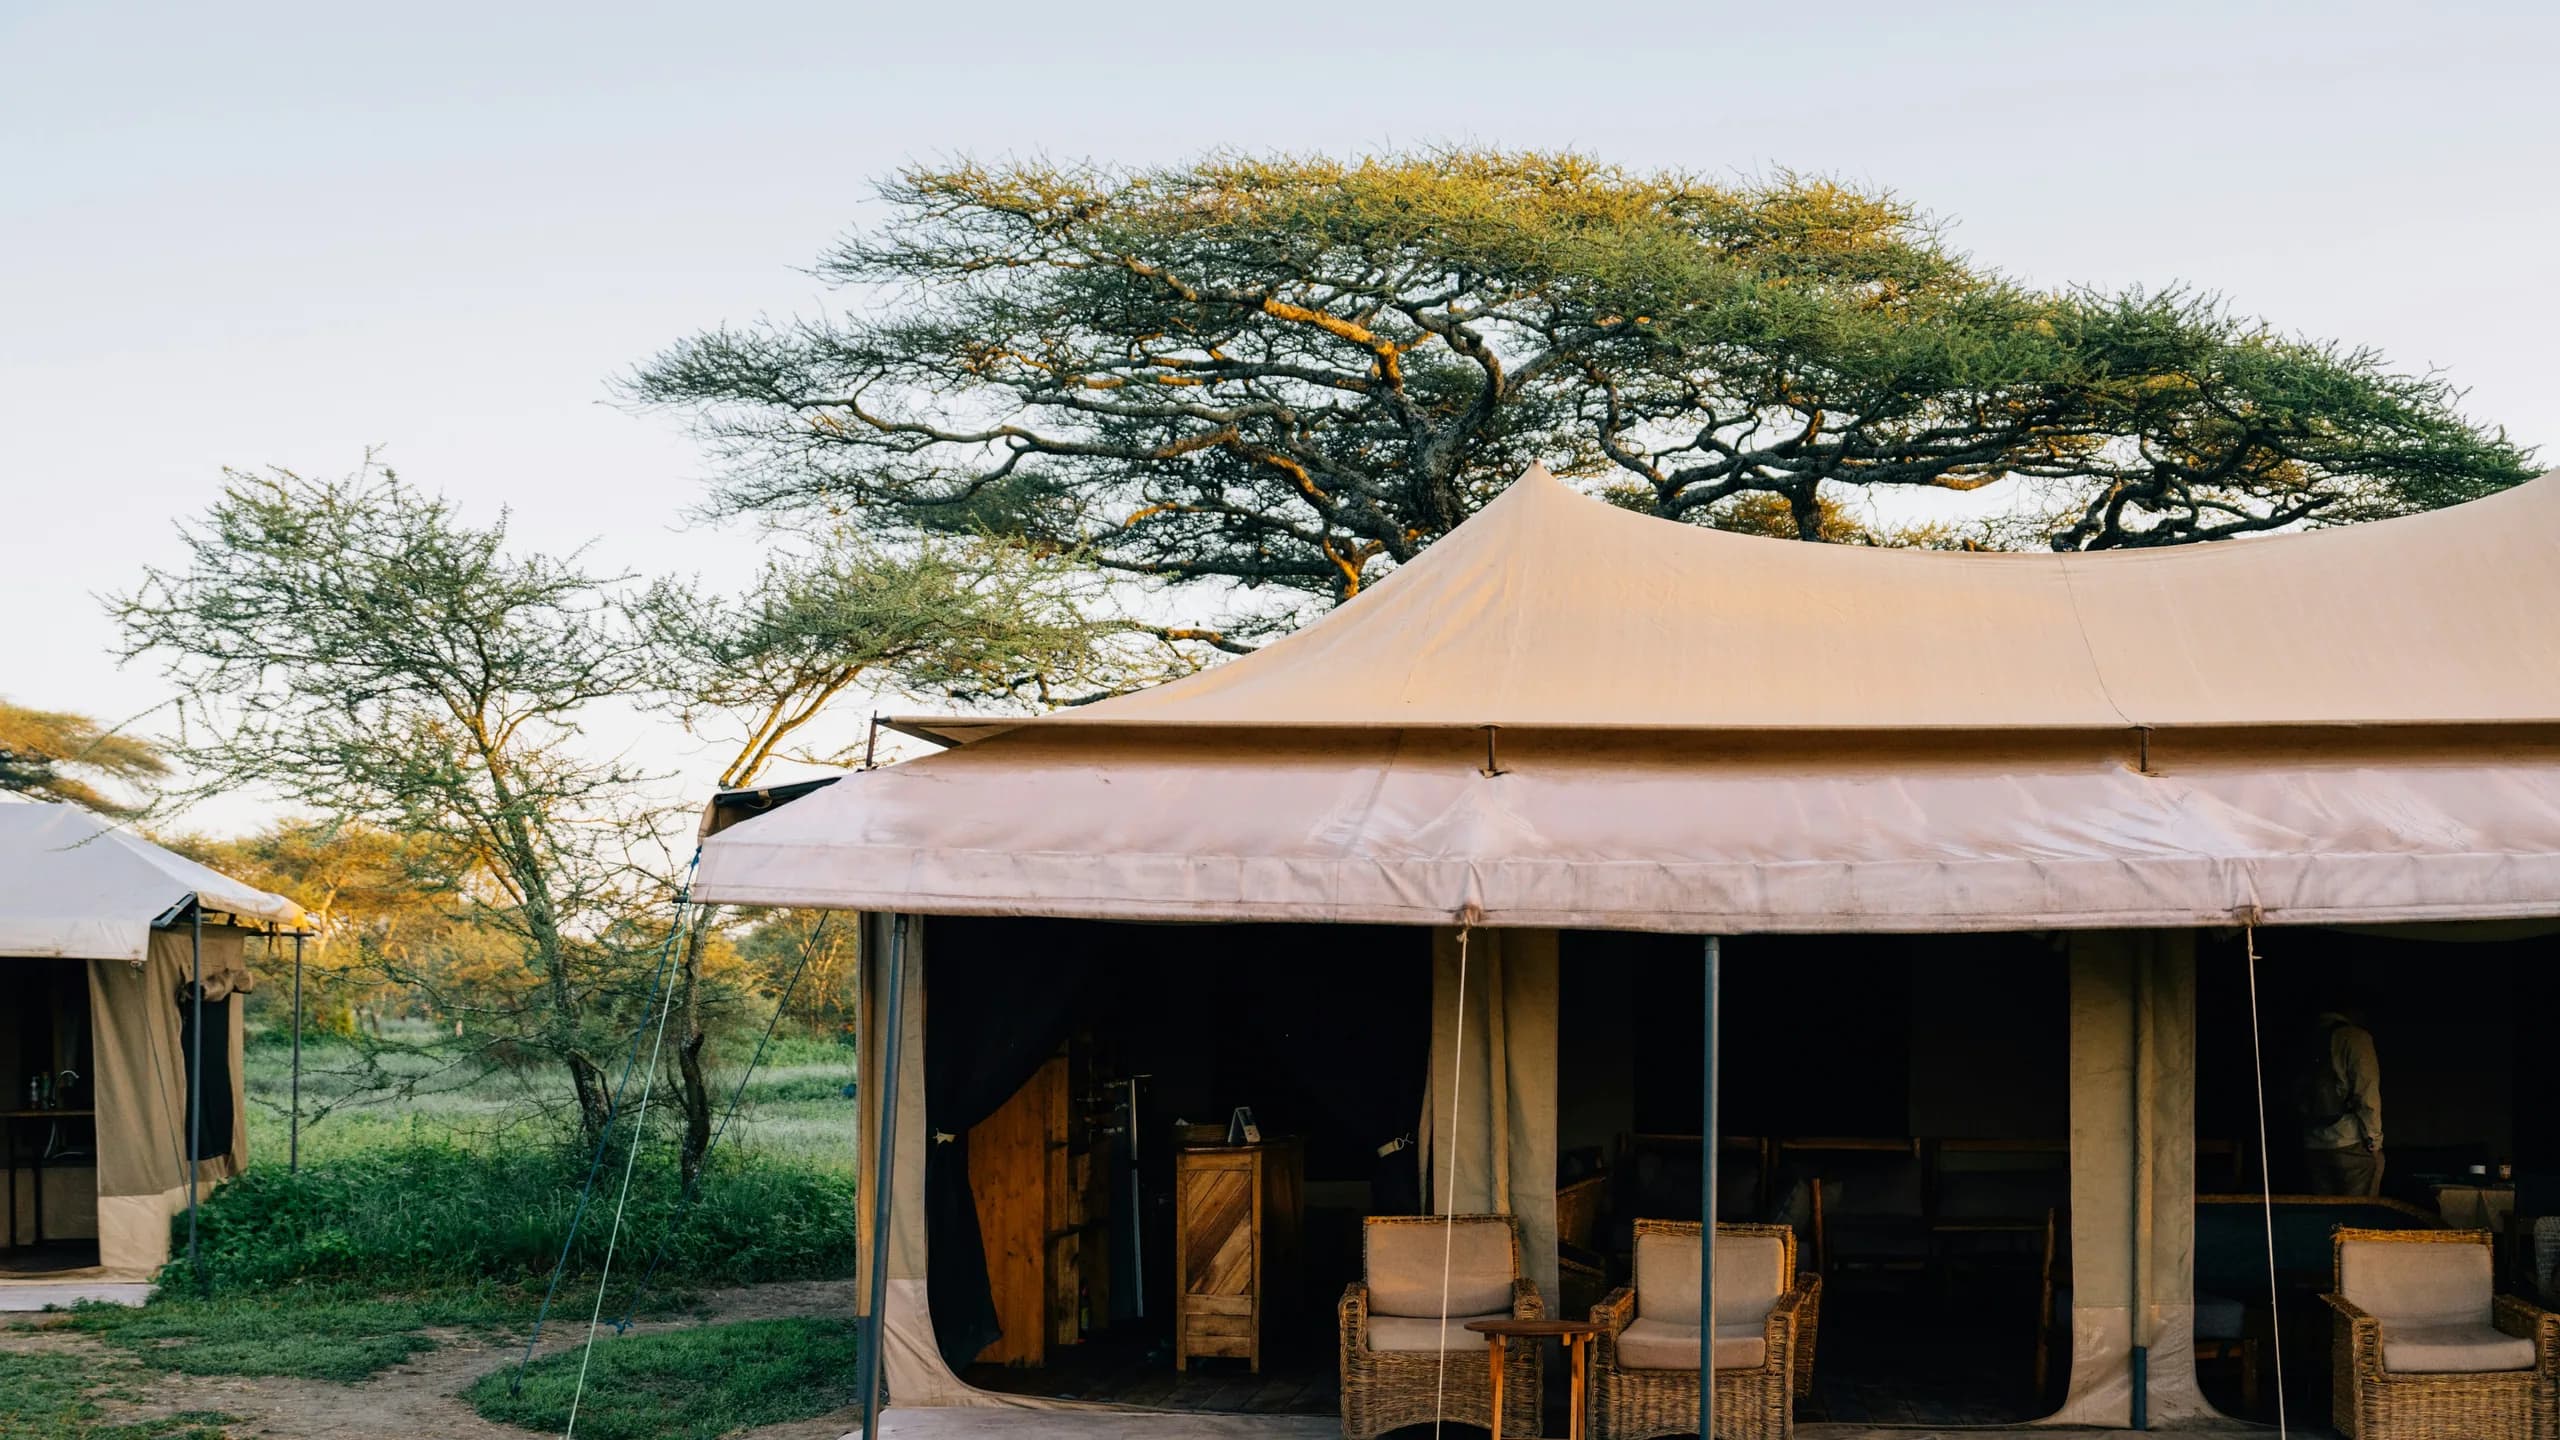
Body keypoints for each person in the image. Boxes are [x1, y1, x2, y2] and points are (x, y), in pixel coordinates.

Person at [2299, 1005, 2384, 1196]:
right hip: (2349, 1140)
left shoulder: (2307, 1037)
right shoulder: (2355, 1038)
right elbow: (2367, 1093)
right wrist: (2374, 1142)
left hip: (2312, 1141)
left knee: (2325, 1214)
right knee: (2359, 1215)